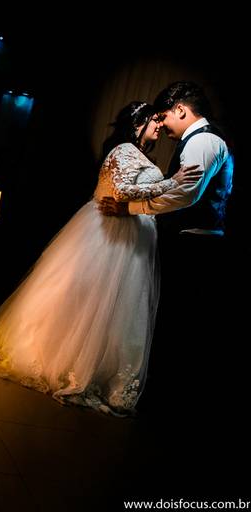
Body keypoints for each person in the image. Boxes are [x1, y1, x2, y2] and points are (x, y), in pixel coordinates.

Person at [0, 101, 201, 416]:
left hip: (132, 235)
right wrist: (171, 182)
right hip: (109, 232)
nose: (160, 126)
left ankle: (99, 370)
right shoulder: (123, 149)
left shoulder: (140, 155)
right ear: (138, 123)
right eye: (154, 121)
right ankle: (62, 362)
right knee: (87, 303)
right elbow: (120, 191)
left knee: (114, 309)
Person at [98, 82, 234, 410]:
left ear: (181, 110)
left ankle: (162, 403)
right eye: (154, 120)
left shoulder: (202, 142)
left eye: (164, 117)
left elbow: (185, 195)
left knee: (175, 327)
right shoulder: (199, 140)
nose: (163, 126)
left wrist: (131, 209)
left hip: (195, 245)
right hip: (189, 240)